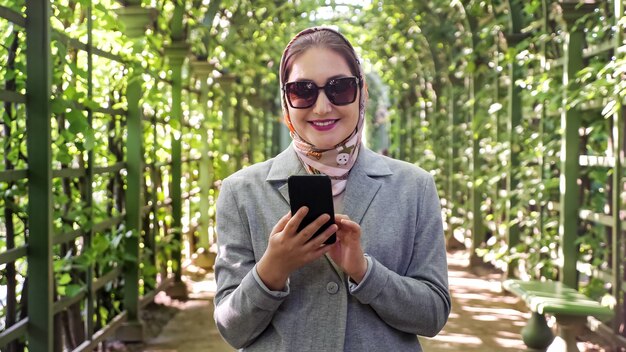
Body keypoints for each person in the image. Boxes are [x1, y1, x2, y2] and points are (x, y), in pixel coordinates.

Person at [213, 26, 450, 351]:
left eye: (339, 88)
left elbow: (433, 315)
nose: (322, 107)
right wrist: (273, 268)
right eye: (302, 91)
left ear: (362, 93)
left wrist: (364, 271)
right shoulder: (241, 191)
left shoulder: (414, 186)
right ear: (286, 101)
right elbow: (232, 329)